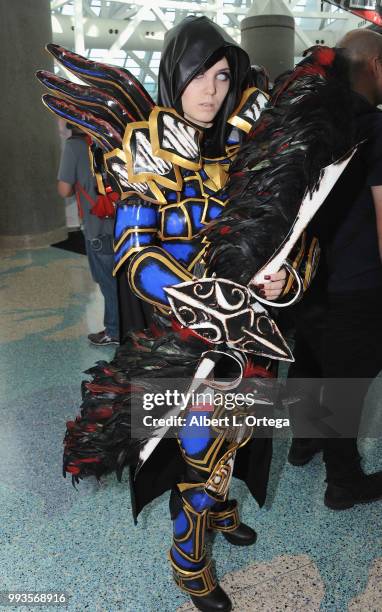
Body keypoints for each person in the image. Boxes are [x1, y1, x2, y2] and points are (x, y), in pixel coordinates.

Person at [39, 23, 347, 612]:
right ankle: (189, 558)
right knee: (200, 445)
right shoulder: (145, 152)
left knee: (241, 434)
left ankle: (219, 503)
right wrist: (200, 298)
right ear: (174, 75)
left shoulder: (246, 151)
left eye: (223, 76)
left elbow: (293, 239)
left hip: (249, 335)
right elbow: (134, 253)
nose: (210, 90)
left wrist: (288, 277)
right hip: (183, 341)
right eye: (199, 75)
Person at [287, 29, 382, 510]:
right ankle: (343, 482)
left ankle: (304, 444)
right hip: (360, 283)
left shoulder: (310, 123)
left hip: (306, 278)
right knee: (348, 382)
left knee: (309, 363)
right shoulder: (377, 128)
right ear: (376, 66)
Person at [57, 124, 119, 345]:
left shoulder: (75, 146)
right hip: (127, 221)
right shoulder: (116, 138)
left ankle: (114, 331)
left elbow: (64, 190)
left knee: (108, 281)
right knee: (125, 278)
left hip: (98, 224)